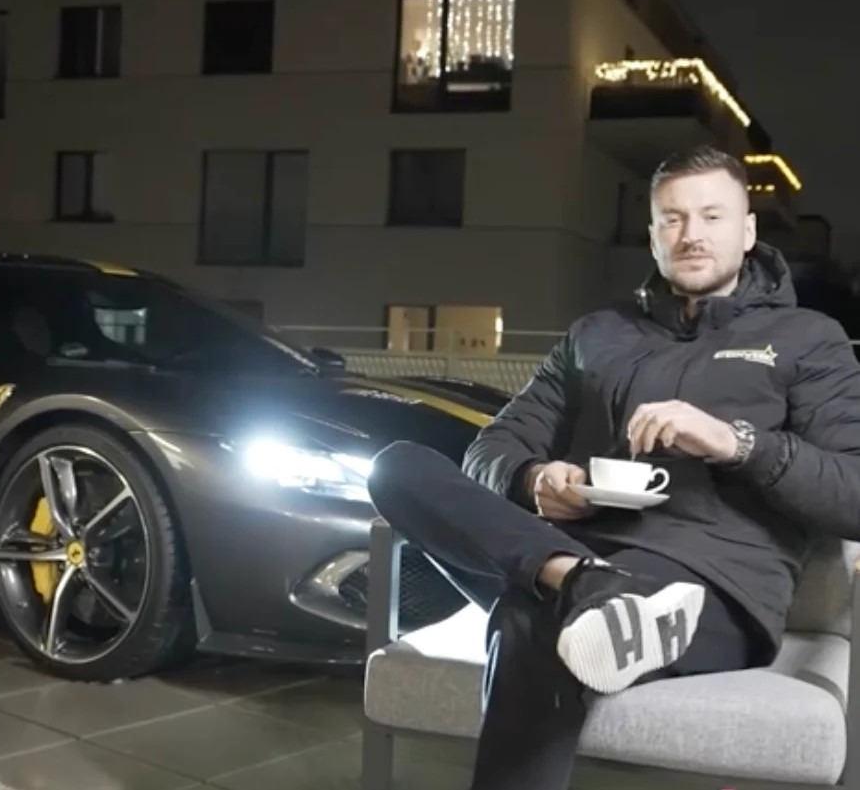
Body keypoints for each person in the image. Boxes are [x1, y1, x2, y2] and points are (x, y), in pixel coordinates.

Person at [368, 146, 860, 790]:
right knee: (396, 468)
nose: (691, 234)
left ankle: (576, 589)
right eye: (672, 219)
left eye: (711, 216)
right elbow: (494, 447)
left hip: (708, 594)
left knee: (529, 617)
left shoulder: (809, 339)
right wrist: (534, 479)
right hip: (574, 552)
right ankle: (582, 581)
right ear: (653, 236)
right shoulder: (596, 335)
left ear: (747, 231)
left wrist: (734, 442)